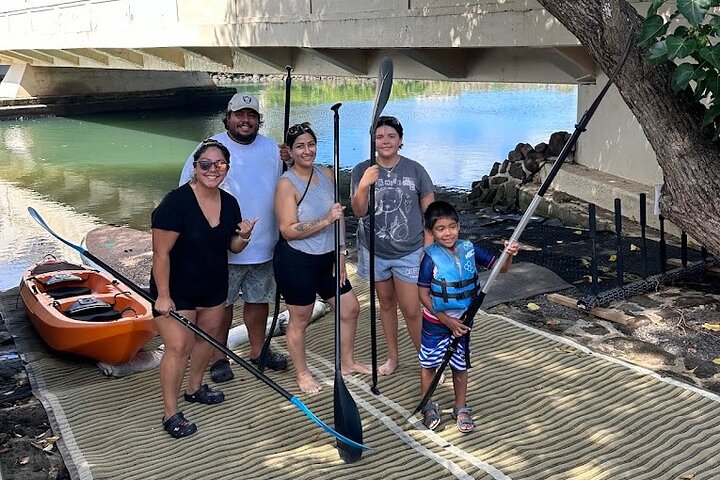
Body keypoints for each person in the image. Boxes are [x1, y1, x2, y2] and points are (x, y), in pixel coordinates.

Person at [151, 139, 257, 438]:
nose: (213, 169)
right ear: (195, 167)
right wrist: (163, 295)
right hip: (176, 290)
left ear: (227, 168)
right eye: (205, 164)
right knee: (178, 347)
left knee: (206, 340)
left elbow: (232, 247)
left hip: (213, 286)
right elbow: (160, 253)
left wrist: (244, 236)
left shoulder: (230, 203)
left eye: (219, 164)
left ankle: (194, 388)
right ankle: (170, 413)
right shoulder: (175, 203)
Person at [179, 93, 289, 382]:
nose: (245, 120)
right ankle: (219, 356)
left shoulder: (273, 148)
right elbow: (186, 192)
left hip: (264, 245)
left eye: (251, 115)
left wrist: (290, 160)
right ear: (227, 117)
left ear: (258, 120)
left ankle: (257, 350)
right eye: (239, 114)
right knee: (220, 307)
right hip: (222, 249)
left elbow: (289, 185)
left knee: (258, 302)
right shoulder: (209, 149)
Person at [274, 122, 371, 394]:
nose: (307, 151)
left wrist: (341, 252)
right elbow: (288, 230)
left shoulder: (327, 173)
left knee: (350, 308)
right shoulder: (286, 184)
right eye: (300, 146)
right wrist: (325, 220)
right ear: (290, 151)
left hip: (328, 257)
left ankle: (347, 362)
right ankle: (302, 373)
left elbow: (339, 215)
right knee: (300, 318)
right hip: (297, 260)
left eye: (311, 144)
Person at [417, 200, 519, 433]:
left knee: (460, 364)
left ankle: (460, 407)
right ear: (431, 232)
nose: (448, 233)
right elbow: (422, 294)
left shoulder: (469, 250)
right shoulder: (430, 258)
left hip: (463, 321)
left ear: (459, 226)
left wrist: (509, 254)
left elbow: (502, 268)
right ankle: (427, 405)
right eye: (441, 229)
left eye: (452, 227)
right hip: (436, 323)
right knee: (429, 363)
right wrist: (446, 320)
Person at [350, 116, 435, 375]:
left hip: (409, 251)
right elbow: (358, 211)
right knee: (386, 305)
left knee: (411, 309)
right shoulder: (361, 169)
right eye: (379, 137)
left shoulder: (415, 170)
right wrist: (364, 185)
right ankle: (392, 357)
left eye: (391, 136)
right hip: (375, 251)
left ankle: (428, 362)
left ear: (400, 140)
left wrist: (428, 247)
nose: (385, 141)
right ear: (372, 141)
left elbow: (431, 213)